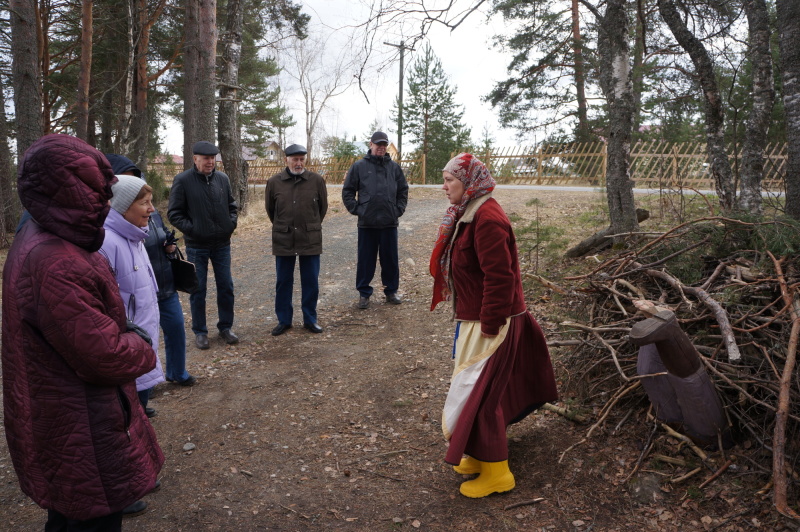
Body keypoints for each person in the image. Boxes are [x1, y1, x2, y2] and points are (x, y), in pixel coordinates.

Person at [2, 134, 164, 530]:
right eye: (97, 192)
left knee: (71, 513)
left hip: (68, 418)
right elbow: (104, 355)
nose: (105, 203)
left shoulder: (50, 237)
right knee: (89, 518)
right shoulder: (54, 258)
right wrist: (141, 342)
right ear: (67, 191)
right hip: (80, 425)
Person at [430, 153, 558, 498]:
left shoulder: (487, 218)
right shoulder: (469, 211)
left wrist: (490, 324)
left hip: (493, 324)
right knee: (473, 389)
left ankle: (498, 473)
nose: (444, 187)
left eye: (449, 181)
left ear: (468, 182)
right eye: (444, 180)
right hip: (477, 319)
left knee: (481, 395)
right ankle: (478, 456)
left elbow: (500, 279)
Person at [106, 154, 197, 387]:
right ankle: (145, 383)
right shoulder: (110, 235)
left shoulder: (148, 209)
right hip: (136, 291)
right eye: (126, 179)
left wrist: (169, 246)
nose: (133, 184)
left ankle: (176, 372)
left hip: (162, 281)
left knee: (175, 328)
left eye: (136, 178)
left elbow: (160, 229)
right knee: (143, 336)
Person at [100, 175, 166, 419]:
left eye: (151, 201)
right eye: (145, 203)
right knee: (128, 417)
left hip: (142, 342)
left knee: (139, 409)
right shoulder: (107, 242)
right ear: (122, 206)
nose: (152, 209)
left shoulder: (136, 236)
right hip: (126, 347)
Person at [168, 140, 239, 349]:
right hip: (196, 245)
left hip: (222, 244)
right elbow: (174, 213)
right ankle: (200, 331)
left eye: (213, 158)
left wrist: (230, 224)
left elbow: (232, 205)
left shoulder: (222, 179)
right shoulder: (182, 180)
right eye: (206, 158)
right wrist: (194, 229)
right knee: (198, 289)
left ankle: (225, 327)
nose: (210, 162)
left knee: (226, 286)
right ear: (195, 159)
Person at [266, 144, 329, 336]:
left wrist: (309, 225)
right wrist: (285, 226)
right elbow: (271, 211)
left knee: (310, 281)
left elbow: (322, 209)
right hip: (284, 239)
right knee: (283, 282)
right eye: (295, 159)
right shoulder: (274, 182)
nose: (299, 163)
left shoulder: (316, 181)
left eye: (302, 159)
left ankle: (310, 319)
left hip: (310, 238)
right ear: (286, 160)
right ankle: (284, 320)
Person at [342, 131, 408, 309]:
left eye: (384, 144)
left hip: (389, 222)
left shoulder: (394, 168)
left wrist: (398, 209)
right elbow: (348, 191)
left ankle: (391, 291)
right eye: (378, 144)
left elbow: (403, 190)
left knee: (390, 259)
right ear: (371, 144)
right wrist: (357, 210)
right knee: (366, 260)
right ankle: (364, 294)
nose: (381, 147)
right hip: (367, 223)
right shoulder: (359, 167)